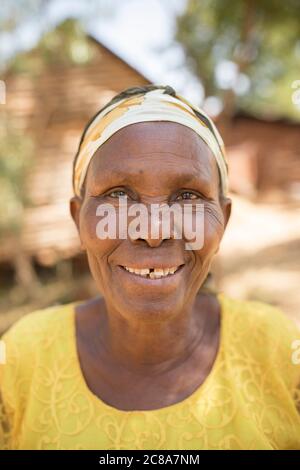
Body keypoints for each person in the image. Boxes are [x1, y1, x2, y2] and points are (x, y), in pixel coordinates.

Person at [1, 85, 299, 450]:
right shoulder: (21, 361)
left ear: (223, 220)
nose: (154, 231)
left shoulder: (280, 354)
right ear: (79, 219)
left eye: (188, 197)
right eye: (119, 195)